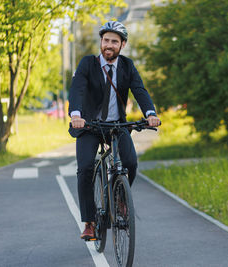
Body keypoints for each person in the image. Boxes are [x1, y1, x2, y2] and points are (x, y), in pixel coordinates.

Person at [68, 21, 161, 240]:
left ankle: (119, 197)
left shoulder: (127, 66)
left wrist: (150, 113)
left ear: (122, 45)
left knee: (130, 162)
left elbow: (139, 90)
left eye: (114, 41)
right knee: (86, 169)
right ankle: (89, 222)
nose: (109, 45)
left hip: (117, 125)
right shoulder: (87, 64)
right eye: (106, 40)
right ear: (101, 42)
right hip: (89, 126)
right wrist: (76, 115)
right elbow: (77, 90)